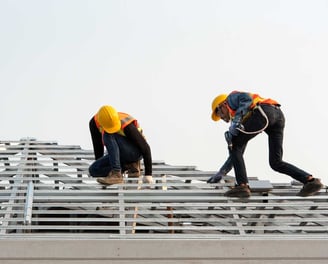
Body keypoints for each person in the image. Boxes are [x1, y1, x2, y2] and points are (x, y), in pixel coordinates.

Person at [209, 91, 323, 198]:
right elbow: (238, 153)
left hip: (264, 112)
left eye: (220, 114)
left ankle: (242, 186)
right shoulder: (243, 116)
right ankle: (310, 181)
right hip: (277, 117)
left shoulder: (231, 99)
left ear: (222, 105)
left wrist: (237, 121)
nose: (223, 119)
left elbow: (246, 99)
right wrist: (222, 172)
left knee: (235, 143)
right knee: (276, 162)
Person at [89, 105, 153, 186]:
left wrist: (148, 174)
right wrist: (100, 165)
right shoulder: (94, 123)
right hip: (118, 155)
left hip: (134, 152)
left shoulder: (125, 124)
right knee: (93, 169)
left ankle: (117, 173)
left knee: (108, 134)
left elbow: (145, 148)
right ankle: (128, 166)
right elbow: (98, 147)